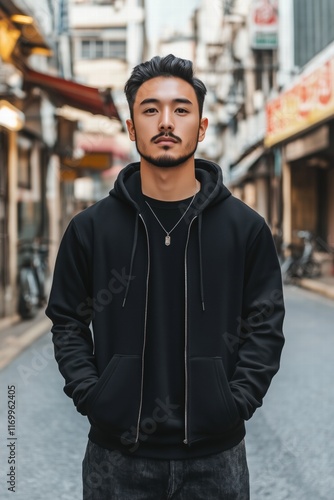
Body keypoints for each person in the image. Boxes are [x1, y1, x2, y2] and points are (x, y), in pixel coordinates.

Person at [46, 54, 285, 499]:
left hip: (216, 460)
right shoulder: (90, 229)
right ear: (132, 128)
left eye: (181, 109)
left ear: (203, 125)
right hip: (116, 460)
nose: (166, 122)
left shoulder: (245, 228)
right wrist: (93, 396)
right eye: (150, 109)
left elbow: (265, 326)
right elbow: (67, 321)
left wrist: (236, 403)